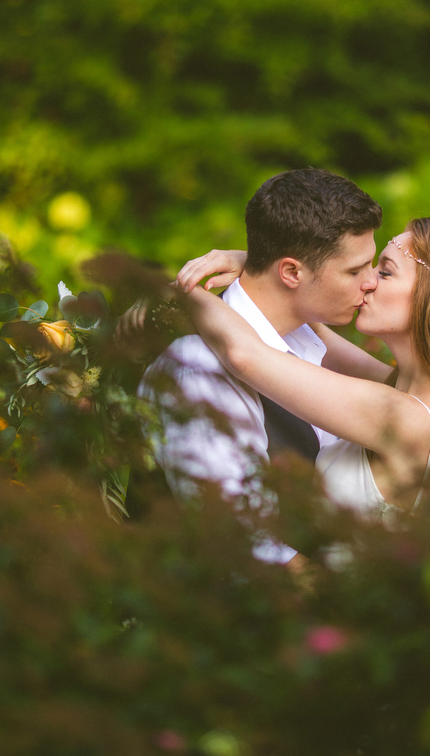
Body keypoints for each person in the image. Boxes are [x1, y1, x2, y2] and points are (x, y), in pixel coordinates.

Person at [174, 217, 430, 522]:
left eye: (385, 272)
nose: (367, 281)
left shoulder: (413, 422)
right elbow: (302, 318)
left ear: (428, 298)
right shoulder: (404, 387)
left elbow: (245, 355)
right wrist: (261, 265)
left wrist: (182, 290)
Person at [138, 168, 382, 563]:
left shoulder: (308, 341)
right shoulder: (199, 367)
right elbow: (240, 544)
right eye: (355, 270)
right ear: (290, 272)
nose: (371, 282)